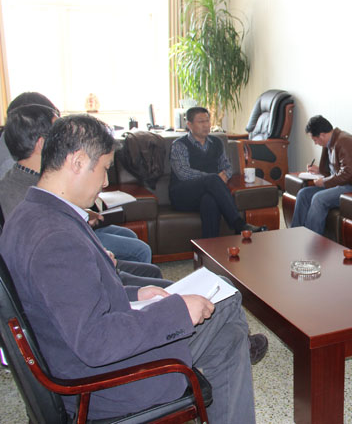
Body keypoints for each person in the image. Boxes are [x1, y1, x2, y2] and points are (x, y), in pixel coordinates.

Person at [0, 114, 256, 421]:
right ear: (78, 162)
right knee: (228, 302)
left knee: (228, 335)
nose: (105, 182)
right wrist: (177, 312)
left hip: (78, 360)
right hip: (103, 384)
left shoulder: (30, 214)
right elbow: (94, 341)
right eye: (104, 169)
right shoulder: (56, 239)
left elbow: (72, 300)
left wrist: (136, 293)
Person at [0, 104, 166, 286]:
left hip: (82, 241)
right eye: (58, 134)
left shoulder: (38, 179)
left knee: (139, 252)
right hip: (82, 258)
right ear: (42, 144)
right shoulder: (26, 196)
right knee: (142, 255)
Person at [169, 107, 265, 238]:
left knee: (210, 201)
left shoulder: (217, 142)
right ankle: (239, 224)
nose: (206, 125)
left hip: (210, 191)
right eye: (201, 122)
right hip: (183, 195)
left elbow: (227, 166)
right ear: (189, 125)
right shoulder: (179, 145)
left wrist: (224, 175)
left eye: (207, 121)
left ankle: (209, 247)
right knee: (213, 180)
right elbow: (183, 173)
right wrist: (213, 178)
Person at [291, 115, 352, 235]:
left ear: (322, 135)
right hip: (341, 183)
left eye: (315, 140)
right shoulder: (330, 142)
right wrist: (319, 171)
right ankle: (295, 235)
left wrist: (324, 182)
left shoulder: (345, 141)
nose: (315, 143)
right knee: (303, 194)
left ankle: (312, 241)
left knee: (319, 199)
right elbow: (335, 170)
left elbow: (348, 173)